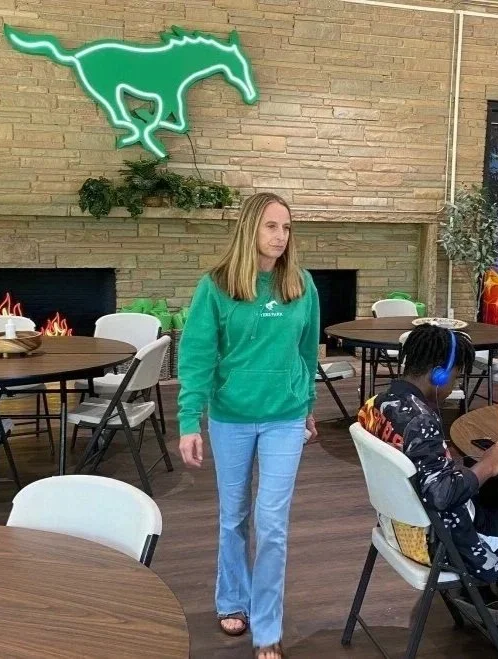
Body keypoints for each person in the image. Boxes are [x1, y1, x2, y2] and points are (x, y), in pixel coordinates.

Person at [358, 324, 498, 657]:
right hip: (437, 540)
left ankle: (476, 589)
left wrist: (478, 469)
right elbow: (441, 495)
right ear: (438, 374)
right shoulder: (421, 420)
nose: (454, 385)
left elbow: (424, 473)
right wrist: (487, 465)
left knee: (496, 487)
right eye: (456, 376)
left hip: (398, 526)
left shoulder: (379, 402)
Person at [177, 192, 320, 659]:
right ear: (250, 229)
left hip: (285, 416)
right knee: (234, 515)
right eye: (271, 226)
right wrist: (188, 420)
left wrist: (308, 405)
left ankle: (267, 628)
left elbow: (307, 351)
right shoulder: (215, 285)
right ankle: (232, 600)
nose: (280, 237)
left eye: (286, 228)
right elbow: (197, 356)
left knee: (273, 523)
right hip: (231, 417)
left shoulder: (301, 284)